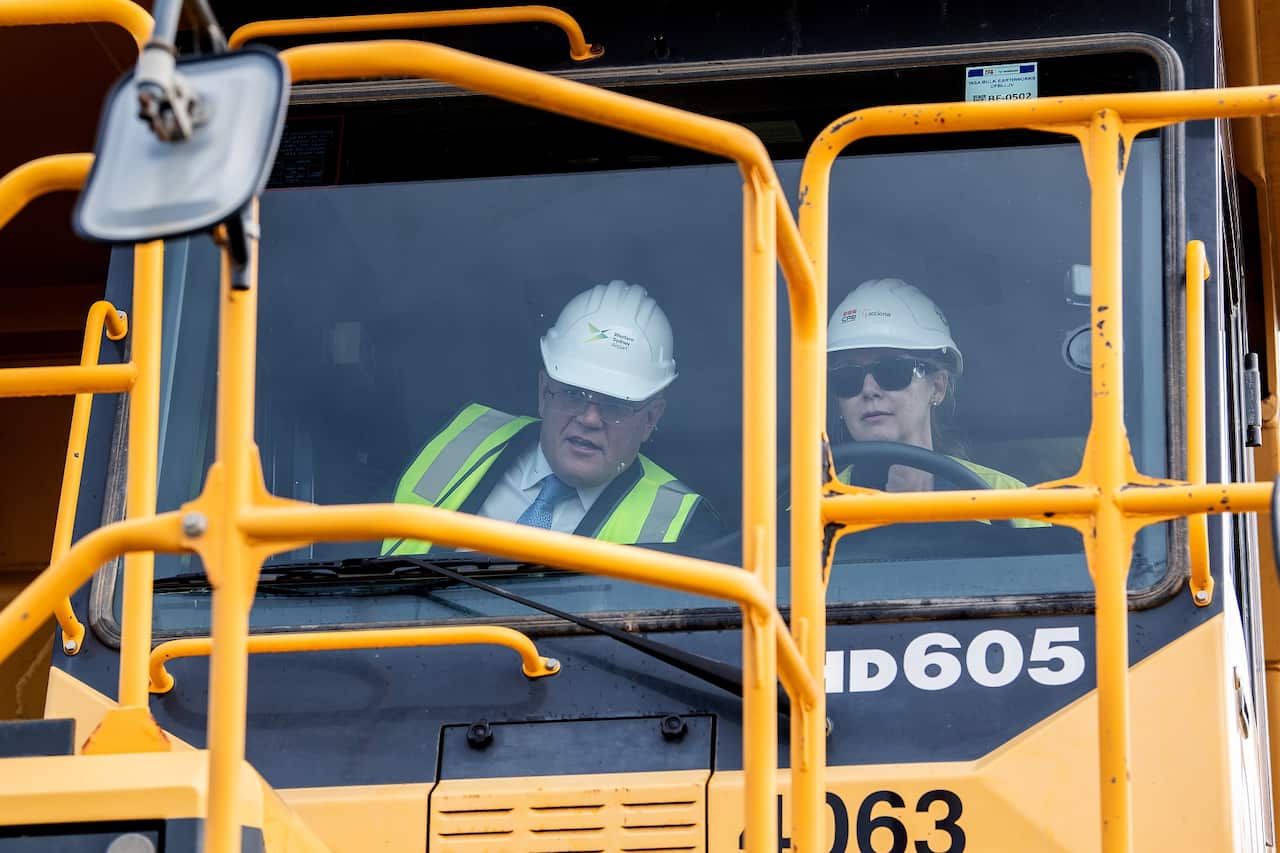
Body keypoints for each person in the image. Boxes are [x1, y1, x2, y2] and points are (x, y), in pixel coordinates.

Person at [383, 280, 720, 555]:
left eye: (615, 405)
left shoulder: (684, 529)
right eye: (574, 393)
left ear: (649, 420)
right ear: (544, 392)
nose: (589, 418)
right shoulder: (453, 440)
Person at [827, 278, 1044, 526]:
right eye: (847, 377)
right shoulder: (806, 510)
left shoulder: (1009, 500)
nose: (868, 390)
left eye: (892, 371)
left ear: (937, 387)